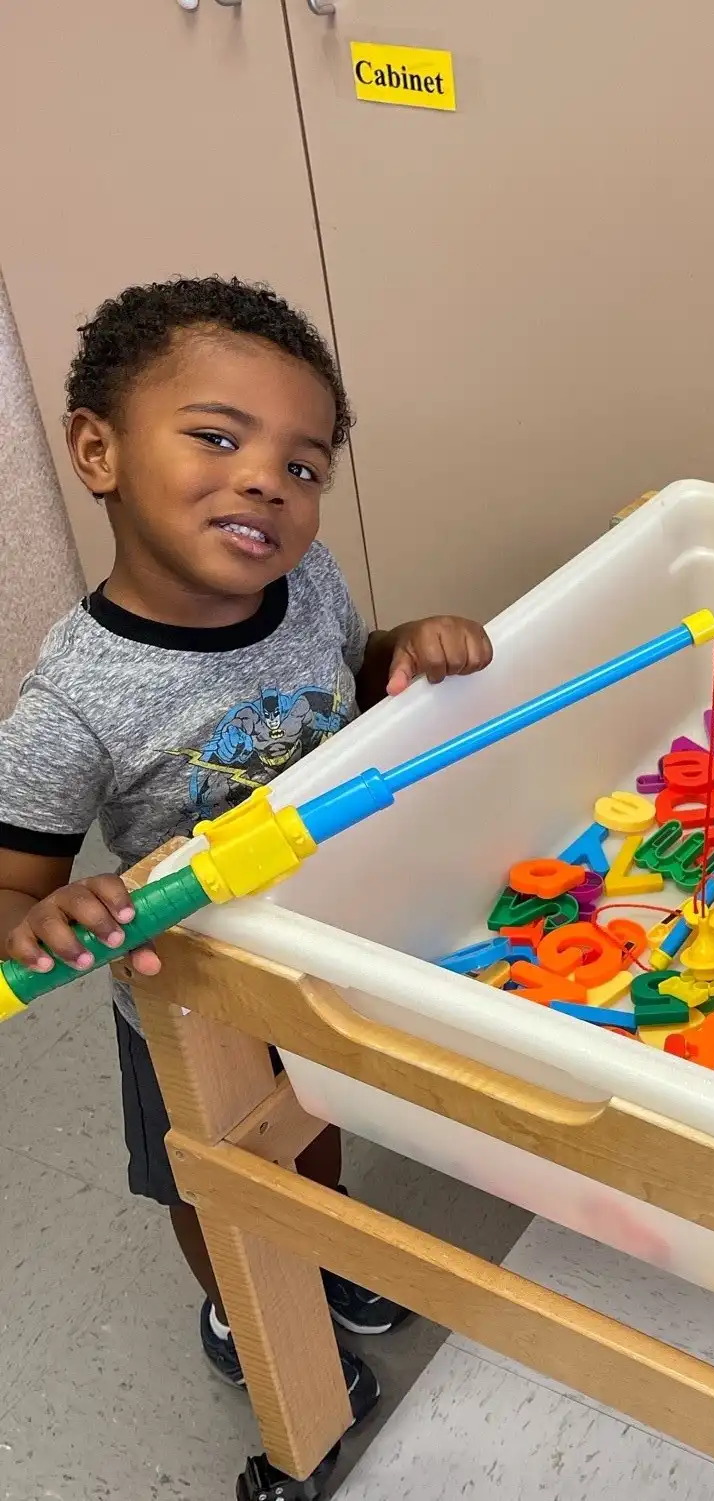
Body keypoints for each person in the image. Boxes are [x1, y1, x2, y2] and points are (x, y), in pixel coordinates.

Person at [0, 277, 495, 1425]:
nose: (269, 478)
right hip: (189, 997)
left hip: (322, 947)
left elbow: (352, 674)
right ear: (97, 448)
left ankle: (313, 1249)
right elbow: (13, 879)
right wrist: (39, 914)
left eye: (305, 464)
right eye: (218, 437)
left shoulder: (304, 580)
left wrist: (402, 650)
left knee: (310, 1124)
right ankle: (242, 1302)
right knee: (216, 1173)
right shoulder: (75, 700)